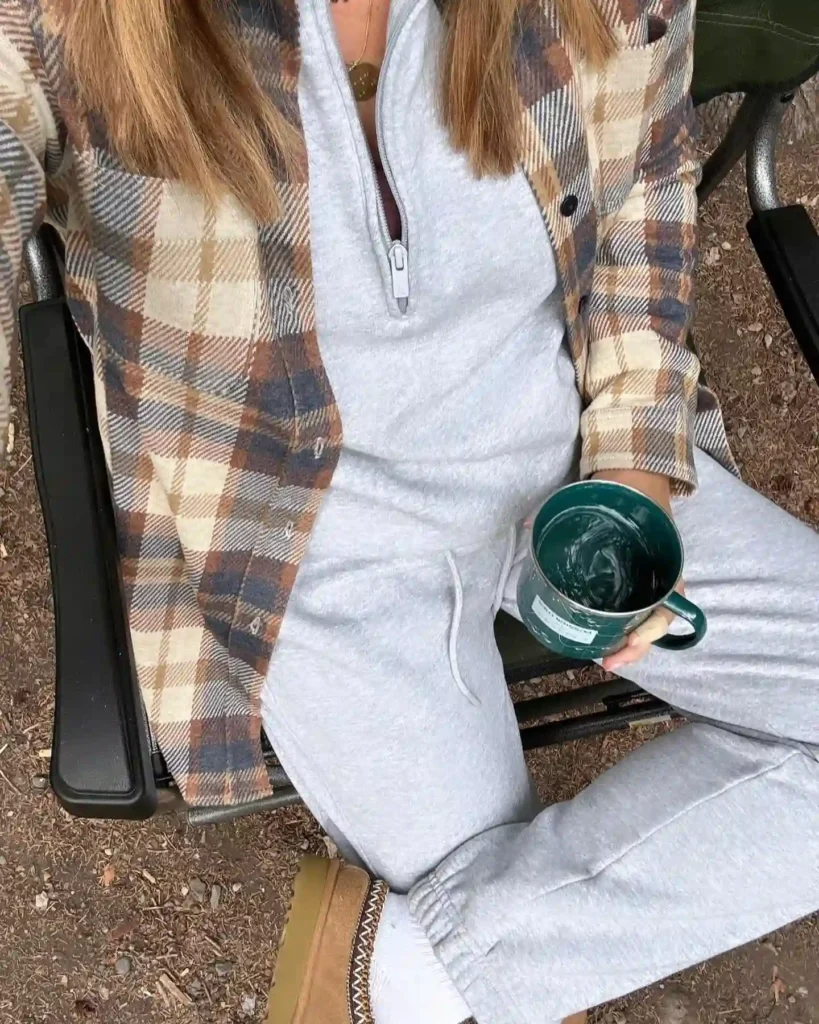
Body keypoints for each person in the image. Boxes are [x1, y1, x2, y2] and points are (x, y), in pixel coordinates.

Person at [0, 0, 817, 1021]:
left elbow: (642, 202)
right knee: (506, 939)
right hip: (312, 545)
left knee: (474, 970)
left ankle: (408, 976)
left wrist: (635, 466)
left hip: (569, 459)